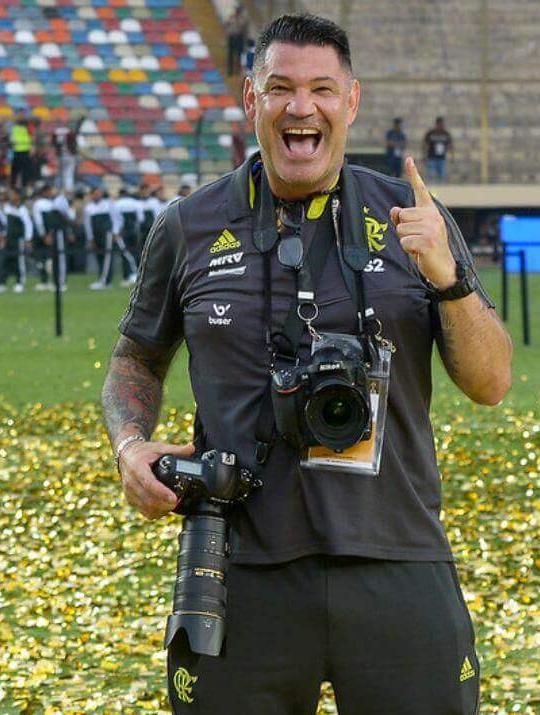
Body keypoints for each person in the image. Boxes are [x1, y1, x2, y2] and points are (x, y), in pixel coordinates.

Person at [102, 14, 512, 715]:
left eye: (322, 89)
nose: (301, 107)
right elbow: (135, 356)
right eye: (281, 87)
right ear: (250, 99)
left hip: (399, 554)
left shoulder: (411, 214)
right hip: (239, 566)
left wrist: (448, 277)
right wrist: (130, 446)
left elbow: (491, 380)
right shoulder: (190, 223)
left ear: (351, 102)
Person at [0, 187, 33, 292]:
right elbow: (6, 224)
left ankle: (20, 283)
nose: (11, 196)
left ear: (18, 196)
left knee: (19, 261)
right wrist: (3, 236)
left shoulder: (22, 209)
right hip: (8, 239)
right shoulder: (7, 208)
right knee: (4, 260)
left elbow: (28, 225)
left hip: (18, 239)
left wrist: (28, 239)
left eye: (13, 194)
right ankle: (2, 282)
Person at [52, 116, 85, 193]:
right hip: (69, 155)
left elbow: (53, 143)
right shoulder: (69, 132)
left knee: (60, 173)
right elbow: (74, 143)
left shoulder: (56, 132)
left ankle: (57, 189)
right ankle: (68, 190)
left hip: (60, 155)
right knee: (69, 174)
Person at [424, 116, 453, 182]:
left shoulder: (446, 134)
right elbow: (425, 145)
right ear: (437, 124)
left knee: (442, 175)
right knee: (431, 175)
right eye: (440, 124)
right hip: (431, 157)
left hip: (441, 158)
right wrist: (424, 156)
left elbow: (450, 145)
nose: (441, 126)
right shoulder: (431, 133)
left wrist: (452, 155)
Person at [9, 112, 34, 190]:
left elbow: (32, 137)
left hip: (24, 151)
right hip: (17, 151)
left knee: (24, 171)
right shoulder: (14, 128)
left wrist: (32, 147)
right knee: (15, 171)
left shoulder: (28, 127)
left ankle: (24, 186)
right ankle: (14, 187)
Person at [225, 4, 249, 76]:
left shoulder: (242, 19)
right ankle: (230, 70)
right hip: (232, 37)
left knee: (239, 54)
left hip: (239, 37)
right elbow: (227, 25)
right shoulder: (231, 17)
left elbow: (243, 28)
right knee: (230, 54)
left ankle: (238, 69)